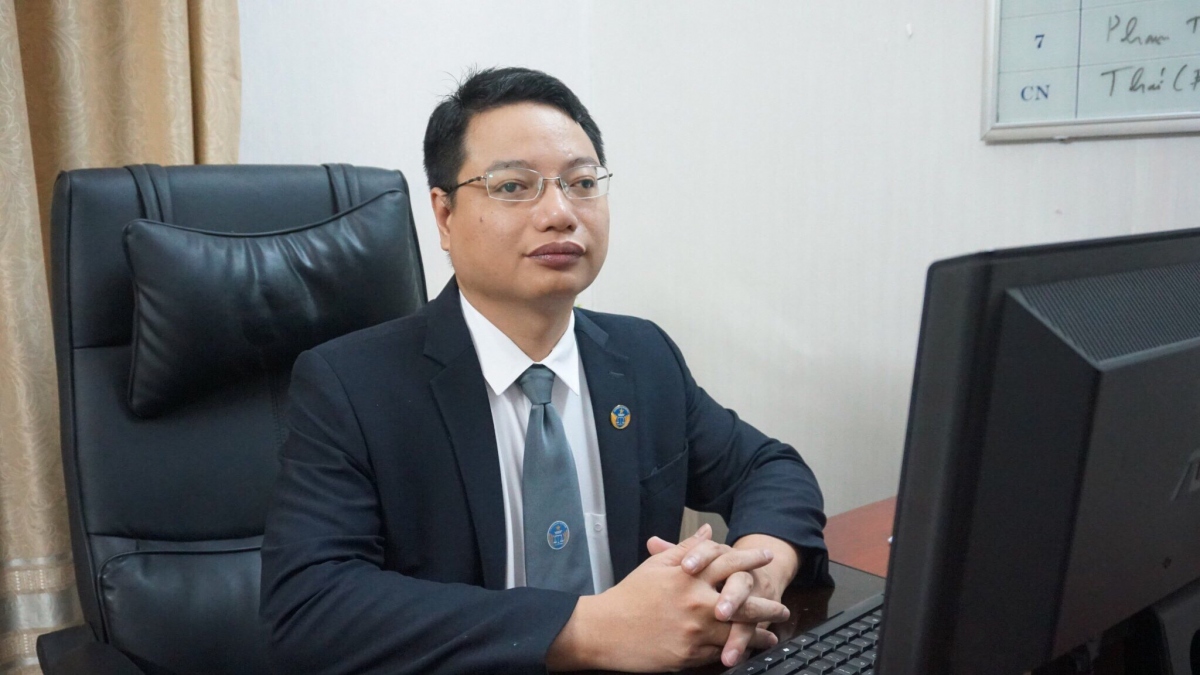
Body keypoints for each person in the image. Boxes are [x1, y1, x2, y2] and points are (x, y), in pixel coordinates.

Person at [260, 67, 829, 674]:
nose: (560, 213)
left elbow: (771, 469)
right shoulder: (351, 386)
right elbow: (311, 609)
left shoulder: (641, 356)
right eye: (513, 186)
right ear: (445, 216)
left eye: (582, 183)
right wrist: (589, 629)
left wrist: (757, 572)